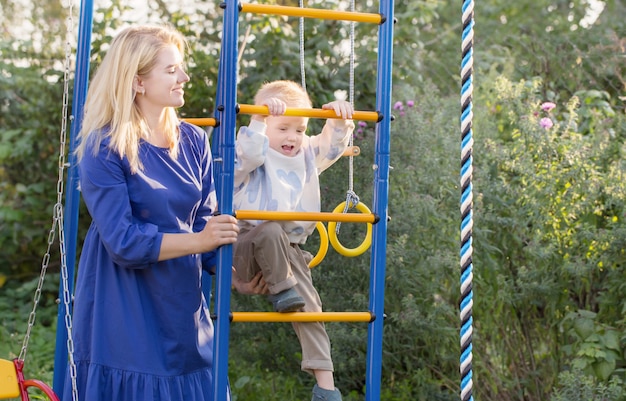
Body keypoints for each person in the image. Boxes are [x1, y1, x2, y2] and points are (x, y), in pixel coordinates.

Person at [64, 25, 264, 401]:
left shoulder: (193, 140)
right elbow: (123, 242)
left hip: (180, 300)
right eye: (171, 70)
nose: (184, 77)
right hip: (123, 303)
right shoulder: (104, 145)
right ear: (138, 82)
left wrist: (234, 273)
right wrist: (201, 239)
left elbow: (206, 224)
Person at [232, 80, 354, 401]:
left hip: (288, 252)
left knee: (312, 309)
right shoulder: (250, 155)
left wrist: (338, 119)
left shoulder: (305, 155)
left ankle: (326, 390)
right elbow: (246, 154)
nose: (292, 137)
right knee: (271, 228)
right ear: (265, 126)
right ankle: (285, 291)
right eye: (283, 128)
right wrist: (258, 120)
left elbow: (332, 146)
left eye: (299, 130)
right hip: (248, 245)